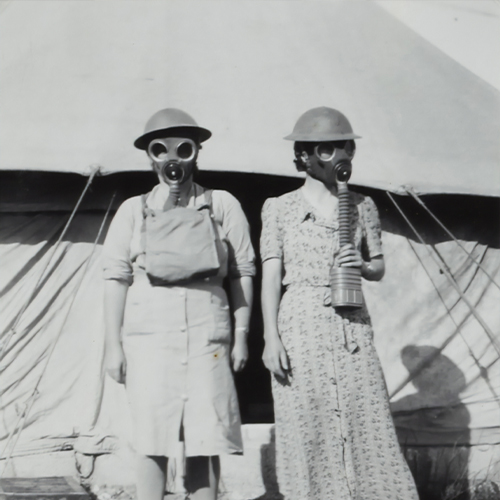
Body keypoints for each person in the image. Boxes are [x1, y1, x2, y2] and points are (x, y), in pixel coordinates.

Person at [260, 107, 418, 499]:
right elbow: (270, 279)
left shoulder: (363, 205)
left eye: (344, 146)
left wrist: (362, 265)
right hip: (301, 322)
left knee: (366, 413)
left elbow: (378, 266)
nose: (339, 156)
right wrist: (270, 338)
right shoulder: (278, 208)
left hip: (352, 324)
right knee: (307, 418)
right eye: (327, 149)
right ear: (304, 155)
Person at [102, 108, 255, 500]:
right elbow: (116, 277)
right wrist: (113, 346)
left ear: (198, 152)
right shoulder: (133, 211)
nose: (173, 159)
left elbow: (242, 272)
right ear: (149, 156)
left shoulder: (221, 205)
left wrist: (241, 335)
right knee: (153, 438)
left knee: (205, 437)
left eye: (184, 148)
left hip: (207, 338)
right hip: (150, 339)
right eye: (161, 149)